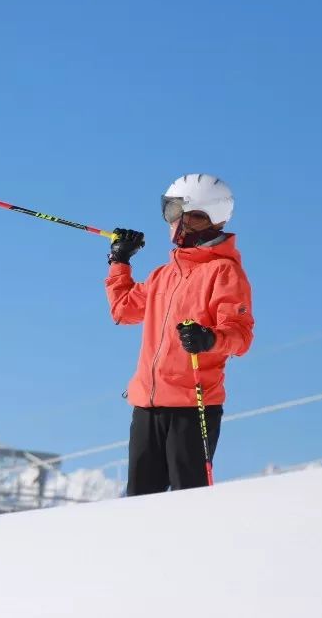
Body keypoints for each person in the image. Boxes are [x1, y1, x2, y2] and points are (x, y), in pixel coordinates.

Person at [105, 173, 254, 495]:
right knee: (140, 502)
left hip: (192, 407)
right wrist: (120, 260)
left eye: (184, 215)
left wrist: (210, 339)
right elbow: (124, 310)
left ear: (209, 220)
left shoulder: (224, 272)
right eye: (171, 213)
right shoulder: (163, 275)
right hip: (147, 406)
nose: (175, 223)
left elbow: (240, 336)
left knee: (189, 500)